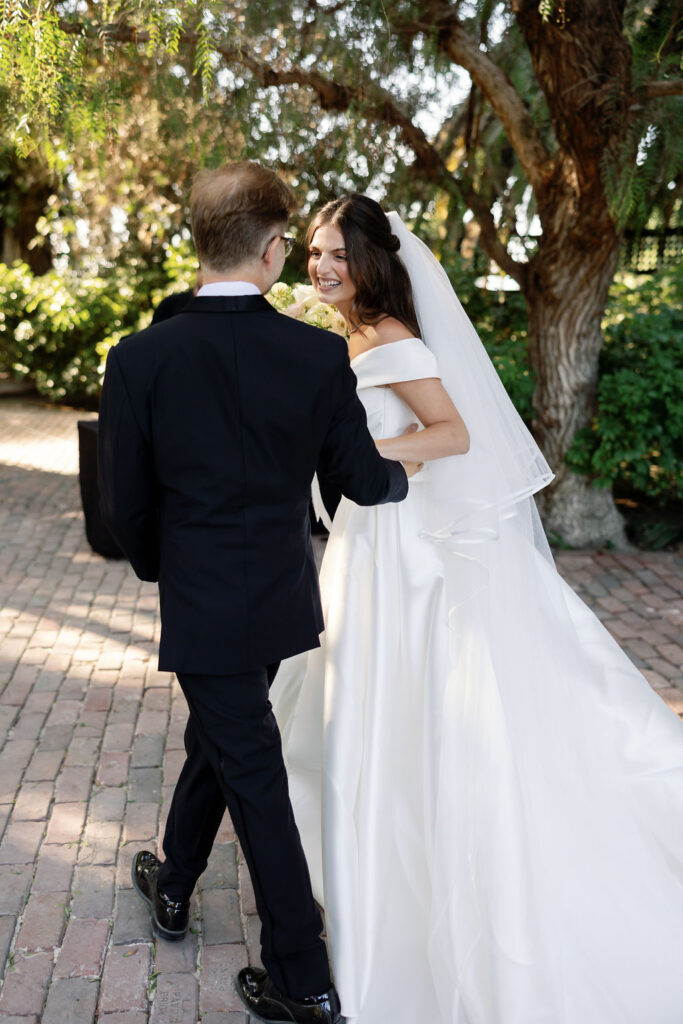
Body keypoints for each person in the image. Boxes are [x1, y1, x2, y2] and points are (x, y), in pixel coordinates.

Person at [270, 194, 683, 1024]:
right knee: (339, 703)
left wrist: (357, 453)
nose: (320, 268)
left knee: (395, 710)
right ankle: (353, 869)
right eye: (314, 253)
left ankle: (391, 889)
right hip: (360, 542)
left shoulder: (393, 341)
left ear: (373, 263)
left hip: (397, 549)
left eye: (336, 257)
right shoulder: (340, 338)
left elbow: (452, 434)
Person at [97, 165, 416, 1024]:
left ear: (201, 245)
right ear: (274, 249)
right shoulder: (314, 354)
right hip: (280, 598)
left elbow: (122, 512)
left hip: (204, 601)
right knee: (230, 739)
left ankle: (300, 983)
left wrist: (173, 571)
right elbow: (359, 481)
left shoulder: (137, 359)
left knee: (250, 769)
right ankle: (173, 883)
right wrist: (412, 471)